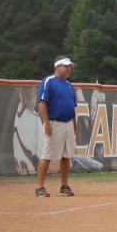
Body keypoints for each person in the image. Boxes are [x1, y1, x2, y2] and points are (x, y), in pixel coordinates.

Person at [35, 55, 78, 197]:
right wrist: (46, 122)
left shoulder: (69, 85)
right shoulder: (49, 81)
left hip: (68, 124)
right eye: (66, 66)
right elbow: (42, 102)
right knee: (47, 155)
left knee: (66, 156)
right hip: (54, 123)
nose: (69, 68)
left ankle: (64, 186)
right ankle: (39, 187)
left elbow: (72, 108)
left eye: (69, 66)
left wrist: (75, 128)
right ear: (57, 67)